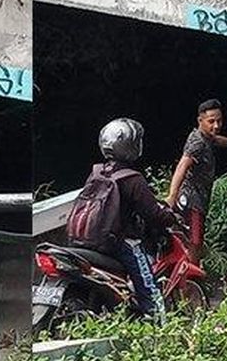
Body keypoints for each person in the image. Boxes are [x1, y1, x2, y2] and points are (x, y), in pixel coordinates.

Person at [68, 117, 177, 317]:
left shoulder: (97, 172)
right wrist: (170, 217)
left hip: (84, 239)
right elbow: (153, 214)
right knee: (149, 287)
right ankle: (160, 324)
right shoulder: (132, 179)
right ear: (131, 145)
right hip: (117, 242)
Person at [165, 99, 227, 264]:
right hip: (192, 200)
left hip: (200, 199)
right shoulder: (197, 142)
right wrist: (172, 196)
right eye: (211, 121)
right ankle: (190, 282)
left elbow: (218, 140)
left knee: (192, 240)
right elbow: (182, 165)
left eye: (219, 120)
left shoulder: (206, 137)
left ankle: (187, 275)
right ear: (200, 121)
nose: (216, 125)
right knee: (195, 242)